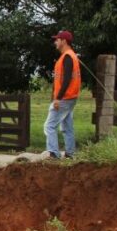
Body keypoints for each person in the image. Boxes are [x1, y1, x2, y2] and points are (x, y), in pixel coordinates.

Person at [44, 30, 81, 159]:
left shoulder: (67, 57)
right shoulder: (70, 56)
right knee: (67, 125)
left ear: (64, 41)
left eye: (57, 40)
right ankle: (70, 154)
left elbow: (66, 80)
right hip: (71, 97)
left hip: (65, 98)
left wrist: (58, 98)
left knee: (49, 125)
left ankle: (54, 154)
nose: (55, 42)